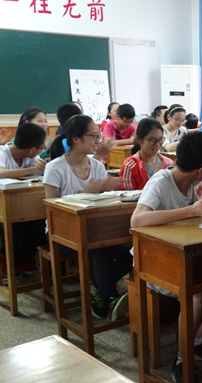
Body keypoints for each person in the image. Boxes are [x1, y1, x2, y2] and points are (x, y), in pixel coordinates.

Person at [130, 131, 202, 383]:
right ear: (201, 169)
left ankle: (198, 343)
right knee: (196, 296)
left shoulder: (196, 183)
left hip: (188, 258)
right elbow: (137, 220)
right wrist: (191, 210)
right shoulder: (161, 181)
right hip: (152, 261)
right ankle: (181, 360)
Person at [43, 115, 131, 320]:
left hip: (93, 229)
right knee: (98, 249)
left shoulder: (98, 167)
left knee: (133, 249)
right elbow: (51, 208)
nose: (98, 141)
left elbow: (100, 205)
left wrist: (109, 193)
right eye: (93, 136)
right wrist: (84, 193)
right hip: (60, 232)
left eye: (98, 135)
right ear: (76, 139)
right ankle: (109, 299)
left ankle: (95, 288)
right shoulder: (55, 168)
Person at [0, 123, 49, 275]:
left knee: (40, 221)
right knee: (15, 226)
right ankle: (7, 257)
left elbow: (38, 174)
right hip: (3, 208)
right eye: (41, 148)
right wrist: (33, 169)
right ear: (32, 149)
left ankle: (23, 258)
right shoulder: (2, 152)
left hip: (22, 205)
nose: (42, 151)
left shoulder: (32, 157)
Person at [120, 118, 174, 191]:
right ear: (139, 139)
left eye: (161, 139)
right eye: (153, 140)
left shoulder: (168, 163)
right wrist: (154, 178)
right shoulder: (130, 166)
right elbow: (128, 199)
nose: (158, 144)